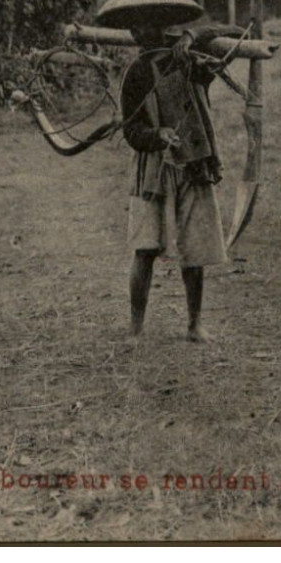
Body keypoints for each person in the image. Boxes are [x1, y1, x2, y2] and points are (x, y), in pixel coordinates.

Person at [119, 19, 228, 341]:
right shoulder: (136, 73)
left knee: (195, 247)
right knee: (145, 247)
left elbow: (230, 31)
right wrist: (157, 134)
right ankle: (135, 329)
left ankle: (195, 325)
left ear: (164, 28)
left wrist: (192, 36)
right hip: (153, 167)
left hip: (194, 163)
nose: (140, 33)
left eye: (147, 27)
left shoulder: (193, 60)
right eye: (136, 29)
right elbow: (130, 130)